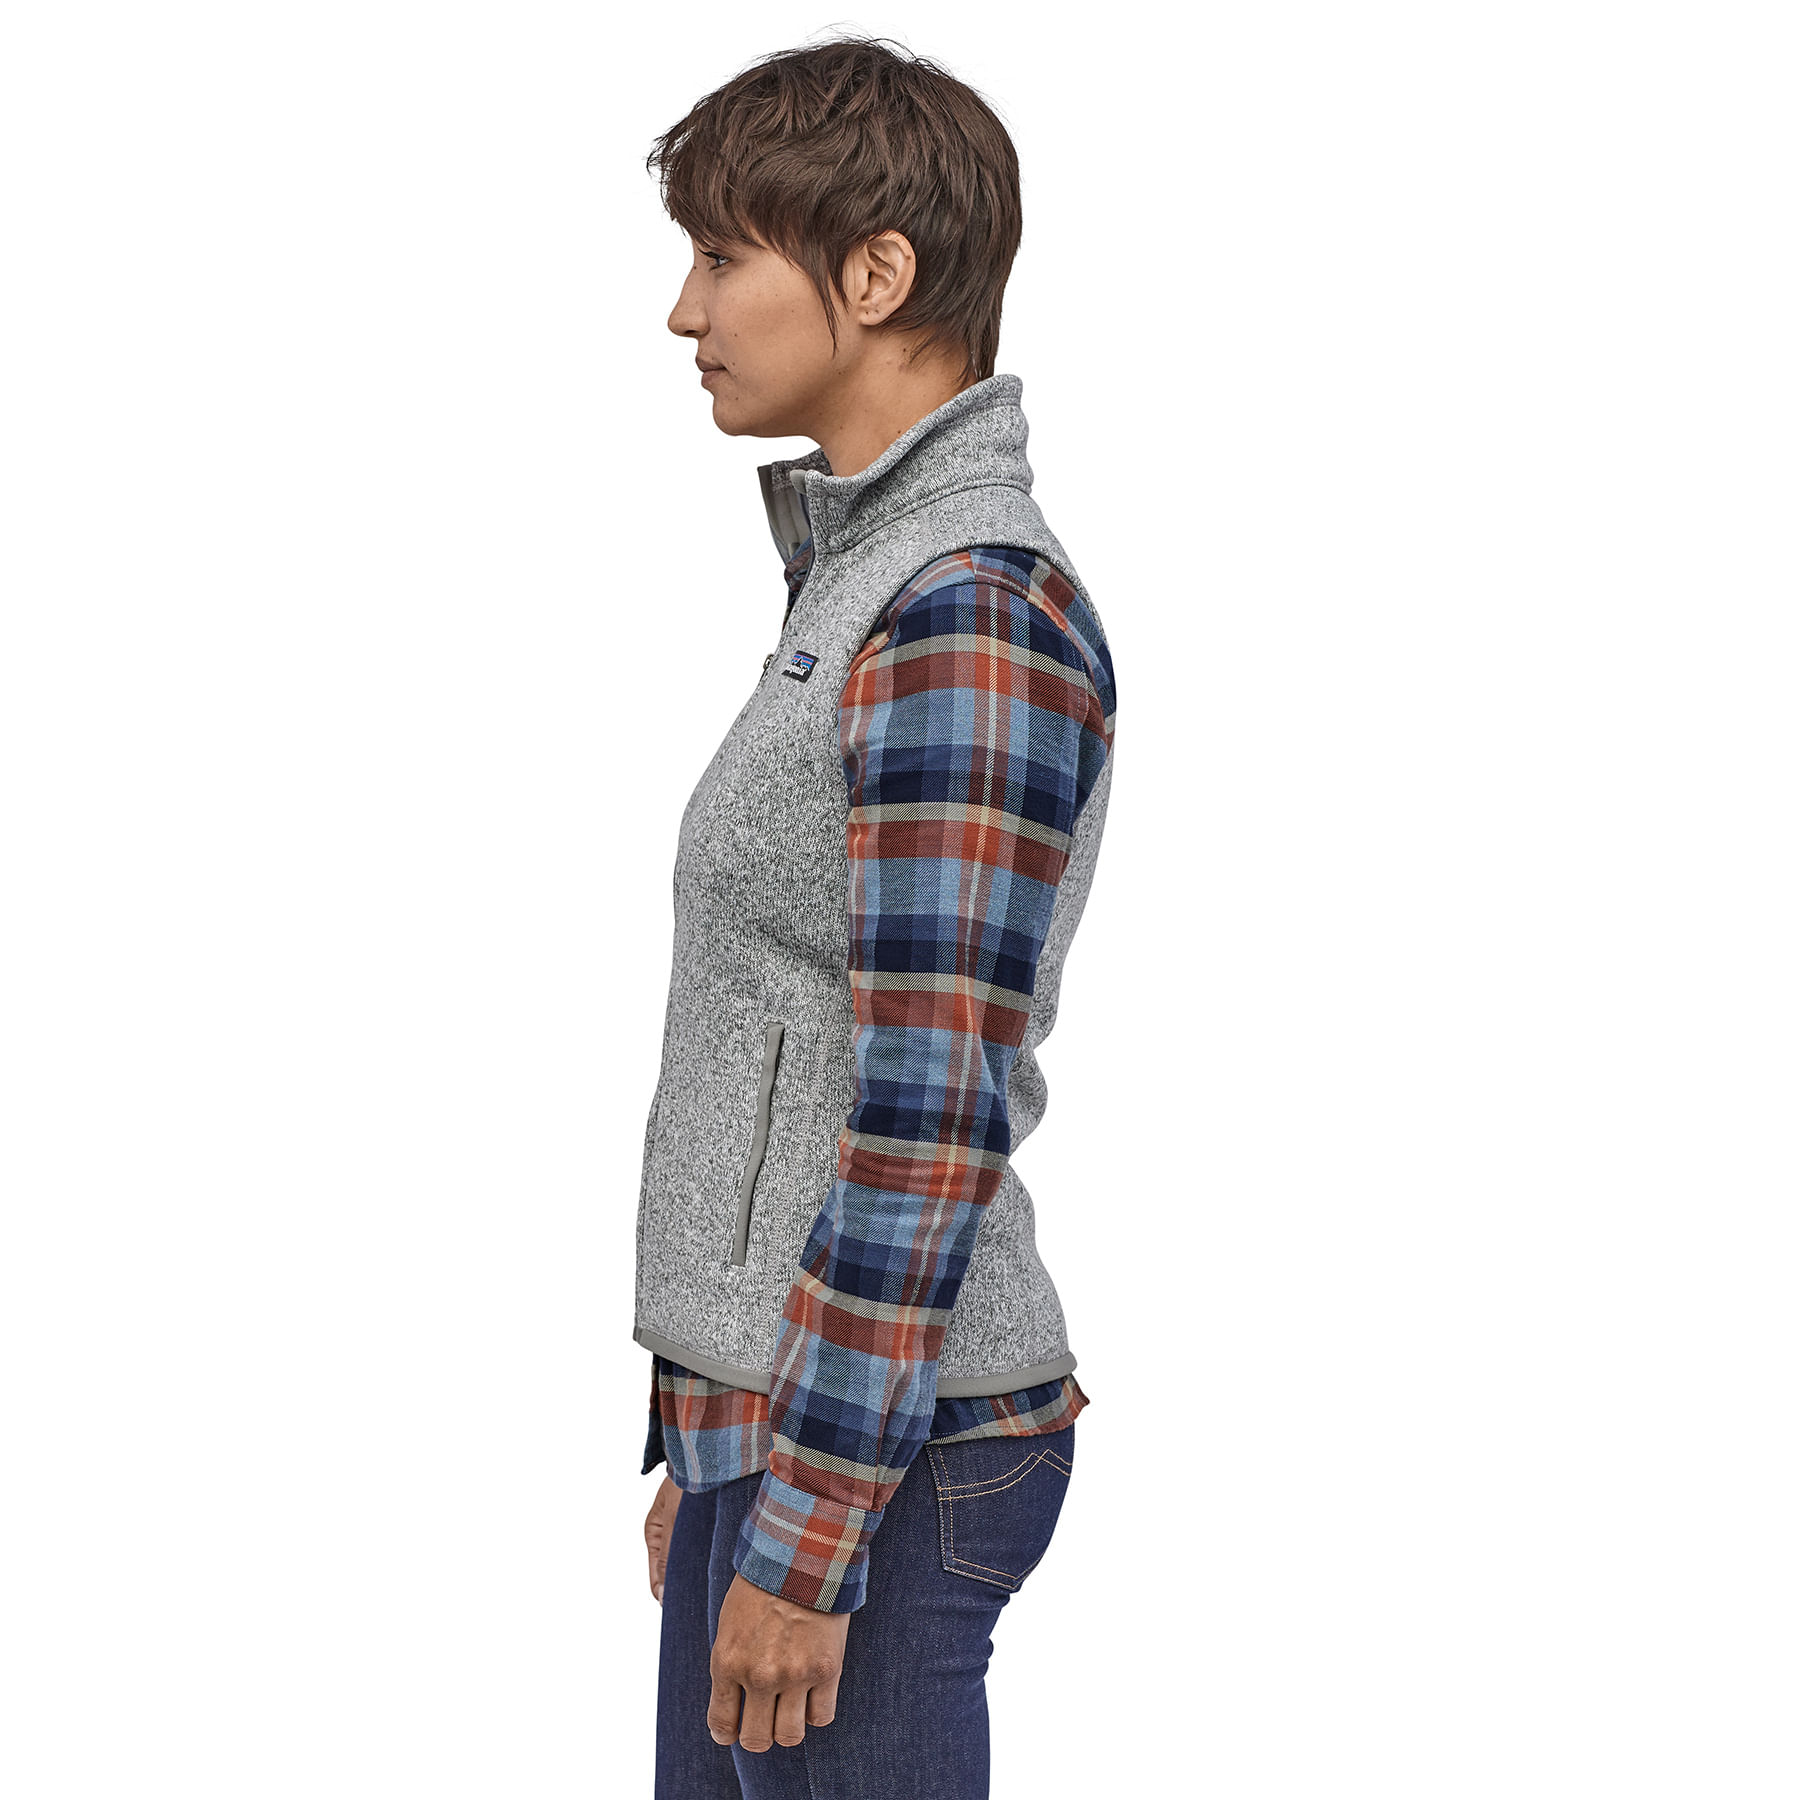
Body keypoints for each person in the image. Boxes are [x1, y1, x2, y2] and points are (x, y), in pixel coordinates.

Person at [633, 35, 1119, 1799]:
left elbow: (923, 1115)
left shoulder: (965, 614)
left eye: (721, 256)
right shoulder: (863, 581)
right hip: (785, 1424)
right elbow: (787, 1026)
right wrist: (710, 1436)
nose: (685, 312)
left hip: (881, 1463)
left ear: (876, 274)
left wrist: (810, 1527)